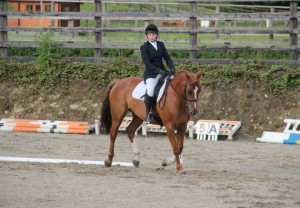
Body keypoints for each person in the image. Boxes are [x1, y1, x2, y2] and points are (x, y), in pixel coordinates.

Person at [140, 23, 176, 124]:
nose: (151, 36)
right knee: (151, 90)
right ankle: (148, 113)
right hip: (151, 74)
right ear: (147, 35)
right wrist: (159, 71)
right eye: (149, 34)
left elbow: (167, 58)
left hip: (163, 71)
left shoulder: (161, 44)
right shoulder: (144, 47)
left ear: (156, 35)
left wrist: (172, 67)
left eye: (153, 34)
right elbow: (147, 63)